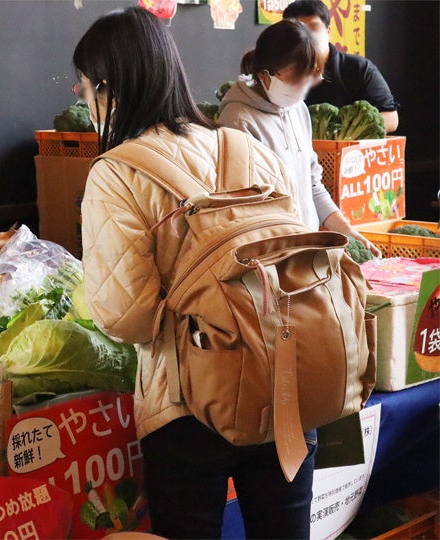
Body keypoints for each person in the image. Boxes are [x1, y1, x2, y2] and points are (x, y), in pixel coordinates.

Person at [75, 7, 316, 538]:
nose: (82, 97)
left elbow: (127, 317)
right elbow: (297, 258)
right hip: (284, 387)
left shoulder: (117, 173)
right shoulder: (247, 147)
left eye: (85, 86)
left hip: (188, 406)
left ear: (108, 89)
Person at [219, 20, 381, 255]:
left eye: (311, 78)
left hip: (306, 250)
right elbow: (245, 208)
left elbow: (313, 185)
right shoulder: (238, 121)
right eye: (296, 80)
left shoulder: (298, 109)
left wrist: (348, 232)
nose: (304, 88)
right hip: (271, 254)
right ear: (265, 75)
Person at [283, 0, 399, 132]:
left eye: (313, 28)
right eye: (298, 30)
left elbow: (391, 118)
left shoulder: (358, 68)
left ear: (328, 31)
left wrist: (341, 132)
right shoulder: (276, 71)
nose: (307, 37)